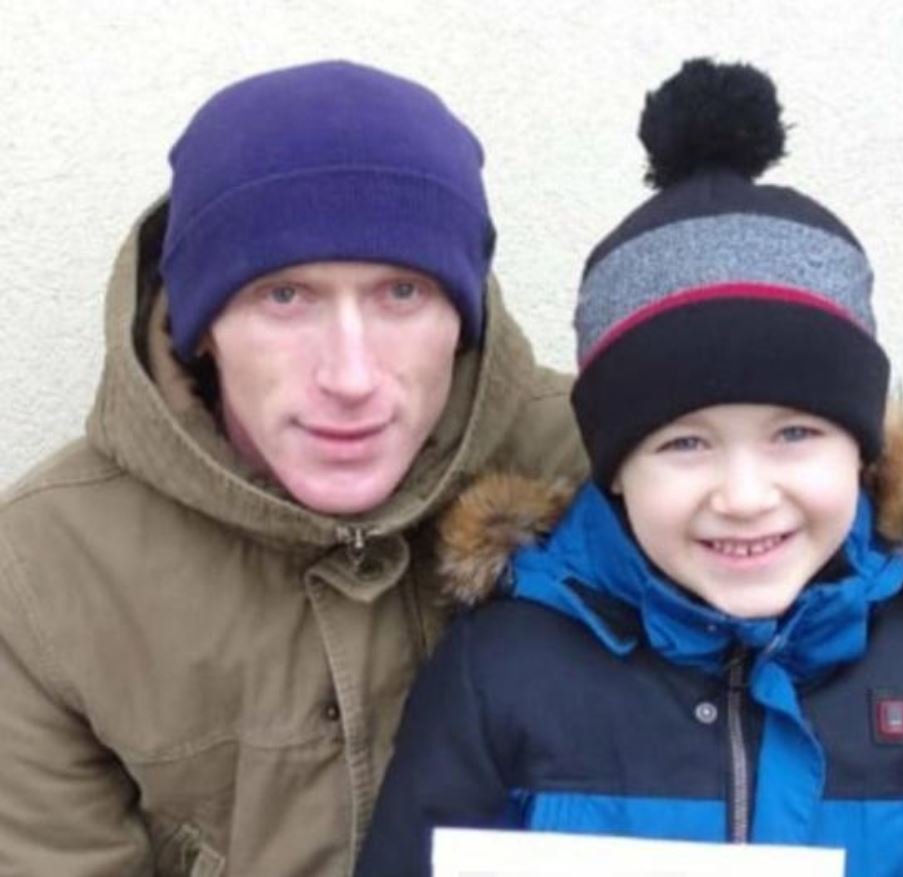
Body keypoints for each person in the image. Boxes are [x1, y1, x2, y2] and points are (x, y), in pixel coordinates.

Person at [358, 59, 903, 876]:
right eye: (685, 443)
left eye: (794, 433)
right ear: (615, 468)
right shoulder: (501, 669)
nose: (744, 496)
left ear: (860, 451)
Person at [0, 61, 585, 875]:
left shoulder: (613, 465)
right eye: (284, 297)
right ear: (201, 327)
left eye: (402, 293)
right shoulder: (47, 570)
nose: (350, 375)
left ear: (463, 316)